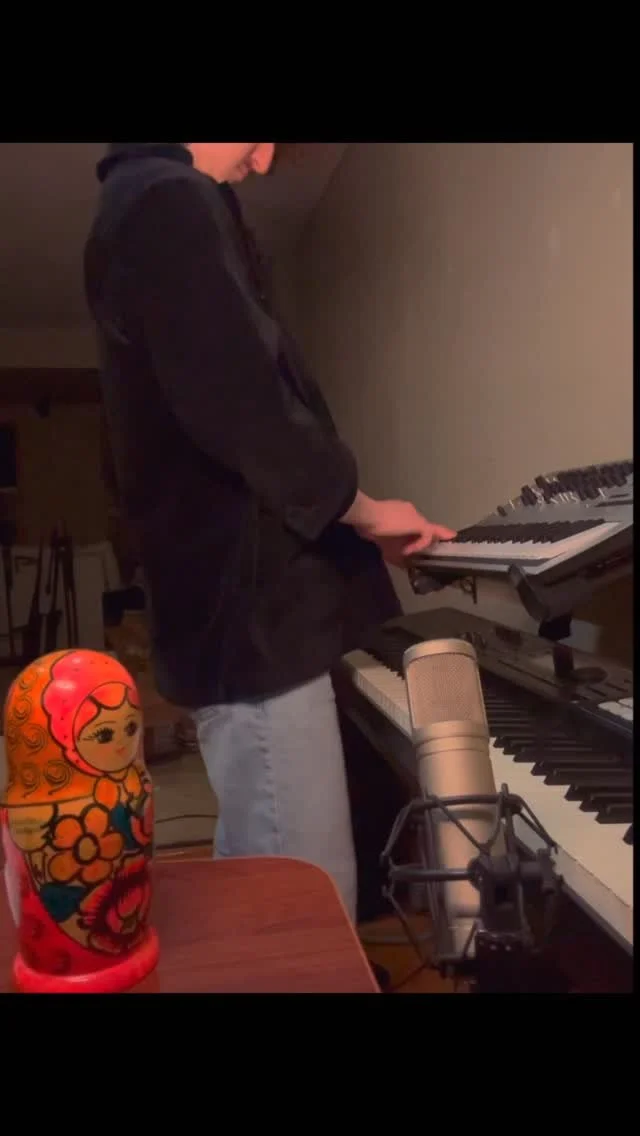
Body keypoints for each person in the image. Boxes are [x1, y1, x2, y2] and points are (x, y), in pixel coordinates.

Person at [83, 142, 455, 923]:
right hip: (253, 625)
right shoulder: (166, 199)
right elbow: (244, 406)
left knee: (261, 872)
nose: (264, 160)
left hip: (238, 616)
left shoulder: (137, 205)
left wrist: (357, 524)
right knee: (303, 910)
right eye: (259, 138)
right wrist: (365, 508)